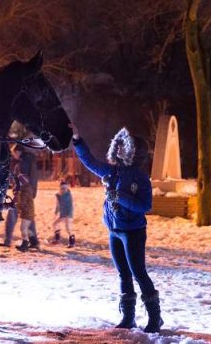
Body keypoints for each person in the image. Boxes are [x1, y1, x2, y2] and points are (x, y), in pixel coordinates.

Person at [71, 125, 163, 333]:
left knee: (138, 273)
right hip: (114, 230)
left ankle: (155, 318)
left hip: (133, 232)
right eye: (118, 146)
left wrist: (119, 197)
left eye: (124, 147)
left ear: (134, 152)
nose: (120, 149)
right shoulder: (112, 172)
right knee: (123, 273)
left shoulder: (140, 178)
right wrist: (77, 139)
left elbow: (144, 206)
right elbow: (90, 162)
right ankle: (128, 317)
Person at [0, 145, 40, 250]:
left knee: (13, 216)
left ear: (18, 151)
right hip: (26, 193)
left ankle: (9, 241)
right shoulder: (26, 161)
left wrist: (16, 187)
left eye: (14, 152)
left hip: (22, 194)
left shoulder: (23, 162)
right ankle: (34, 242)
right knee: (28, 217)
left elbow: (22, 179)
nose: (13, 154)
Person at [51, 180, 75, 248]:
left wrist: (69, 214)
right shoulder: (59, 195)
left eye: (65, 188)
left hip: (68, 215)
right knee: (55, 224)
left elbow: (70, 205)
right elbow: (58, 205)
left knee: (68, 228)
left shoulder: (68, 195)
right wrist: (56, 212)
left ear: (67, 188)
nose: (63, 190)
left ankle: (72, 242)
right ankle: (57, 238)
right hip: (62, 214)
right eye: (62, 188)